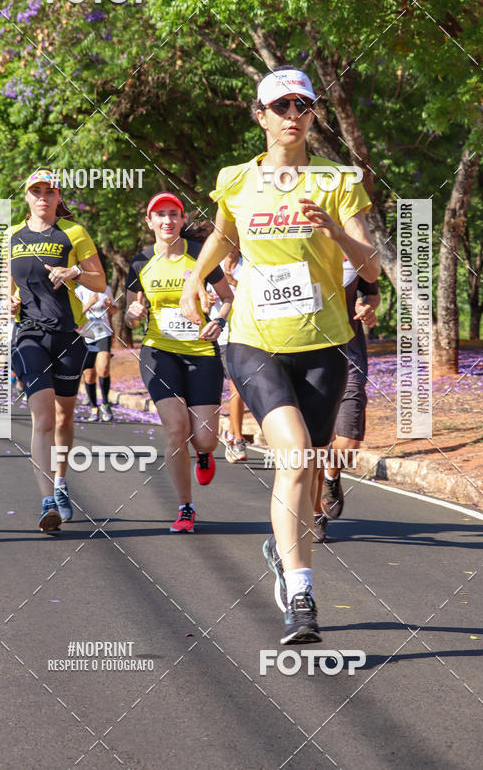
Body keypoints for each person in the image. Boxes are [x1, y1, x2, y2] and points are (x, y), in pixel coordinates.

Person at [180, 65, 379, 643]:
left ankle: (281, 549)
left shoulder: (338, 182)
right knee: (293, 457)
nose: (293, 116)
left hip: (325, 345)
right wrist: (196, 280)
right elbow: (223, 235)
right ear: (260, 116)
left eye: (303, 107)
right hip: (254, 340)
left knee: (309, 469)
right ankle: (301, 597)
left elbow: (368, 267)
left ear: (313, 115)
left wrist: (336, 233)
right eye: (282, 106)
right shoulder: (236, 179)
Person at [125, 192, 233, 533]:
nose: (167, 221)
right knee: (176, 428)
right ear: (149, 221)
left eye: (174, 214)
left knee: (205, 438)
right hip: (159, 352)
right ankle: (185, 508)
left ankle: (203, 454)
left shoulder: (200, 257)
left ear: (182, 220)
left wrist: (220, 320)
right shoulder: (140, 262)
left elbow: (228, 298)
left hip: (201, 351)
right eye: (160, 215)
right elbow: (130, 316)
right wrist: (132, 314)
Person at [8, 169, 106, 533]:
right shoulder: (12, 235)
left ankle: (61, 482)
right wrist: (11, 304)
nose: (43, 198)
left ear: (58, 196)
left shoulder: (74, 233)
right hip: (29, 335)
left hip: (68, 336)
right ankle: (47, 499)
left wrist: (74, 273)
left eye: (49, 192)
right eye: (36, 191)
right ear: (27, 196)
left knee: (65, 418)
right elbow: (9, 288)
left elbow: (100, 280)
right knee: (44, 418)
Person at [313, 257, 381, 542]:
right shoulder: (290, 243)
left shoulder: (354, 250)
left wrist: (367, 306)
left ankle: (332, 473)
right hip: (306, 356)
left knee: (349, 446)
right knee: (312, 444)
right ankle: (315, 512)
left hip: (348, 354)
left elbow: (373, 293)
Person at [209, 245, 248, 462]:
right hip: (214, 337)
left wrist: (234, 284)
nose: (232, 245)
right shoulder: (210, 267)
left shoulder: (248, 267)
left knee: (237, 388)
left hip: (241, 336)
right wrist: (204, 300)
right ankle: (222, 434)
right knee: (212, 393)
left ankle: (236, 438)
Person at [76, 280, 117, 422]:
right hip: (86, 336)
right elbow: (76, 316)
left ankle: (105, 403)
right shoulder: (78, 291)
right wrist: (89, 303)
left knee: (104, 368)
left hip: (103, 334)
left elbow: (114, 311)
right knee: (89, 374)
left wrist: (110, 306)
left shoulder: (105, 288)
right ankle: (94, 406)